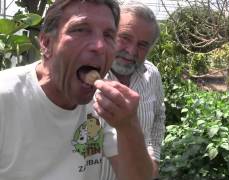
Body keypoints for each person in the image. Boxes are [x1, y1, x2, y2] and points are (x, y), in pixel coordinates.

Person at [0, 0, 152, 180]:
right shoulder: (5, 98)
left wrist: (129, 126)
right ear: (46, 43)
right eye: (80, 29)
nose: (100, 46)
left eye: (109, 35)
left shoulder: (104, 104)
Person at [102, 2, 166, 180]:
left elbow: (159, 116)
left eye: (142, 45)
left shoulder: (152, 75)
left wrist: (153, 157)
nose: (131, 51)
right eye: (125, 38)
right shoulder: (87, 78)